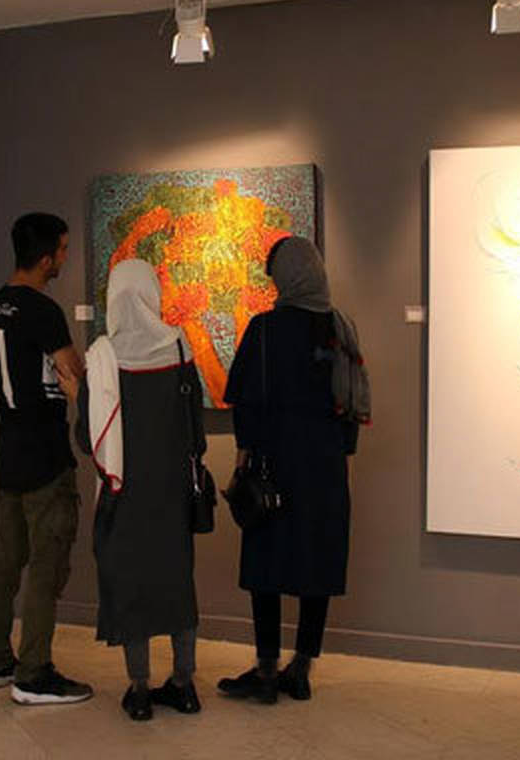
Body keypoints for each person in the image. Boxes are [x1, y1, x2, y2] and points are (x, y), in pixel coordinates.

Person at [218, 236, 362, 704]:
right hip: (324, 468)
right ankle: (301, 668)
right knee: (316, 564)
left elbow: (244, 403)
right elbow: (353, 402)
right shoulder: (340, 328)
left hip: (272, 465)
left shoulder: (264, 329)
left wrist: (242, 459)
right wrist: (339, 455)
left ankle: (265, 669)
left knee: (266, 564)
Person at [61, 259, 205, 722]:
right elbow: (196, 433)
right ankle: (184, 685)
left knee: (132, 586)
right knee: (178, 584)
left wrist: (76, 396)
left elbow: (89, 441)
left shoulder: (102, 357)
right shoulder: (179, 347)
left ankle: (139, 691)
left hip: (124, 496)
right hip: (173, 493)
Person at [0, 212, 92, 706]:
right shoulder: (43, 310)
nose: (65, 257)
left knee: (7, 557)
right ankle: (34, 672)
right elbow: (72, 371)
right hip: (43, 451)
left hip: (8, 447)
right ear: (46, 259)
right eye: (62, 249)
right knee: (48, 563)